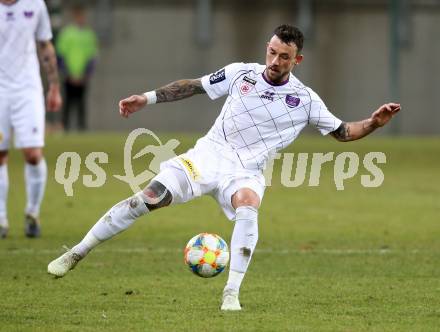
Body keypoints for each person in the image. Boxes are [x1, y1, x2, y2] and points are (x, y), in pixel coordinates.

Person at [47, 24, 401, 310]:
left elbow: (343, 132)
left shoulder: (305, 100)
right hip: (208, 156)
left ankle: (231, 294)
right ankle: (76, 252)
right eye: (272, 52)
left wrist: (373, 122)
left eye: (285, 57)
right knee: (147, 197)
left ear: (298, 60)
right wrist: (148, 98)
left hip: (246, 172)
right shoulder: (240, 74)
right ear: (267, 48)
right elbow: (194, 86)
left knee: (249, 205)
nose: (275, 61)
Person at [0, 0, 62, 238]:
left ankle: (32, 213)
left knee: (33, 154)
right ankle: (1, 218)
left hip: (27, 90)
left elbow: (45, 45)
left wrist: (54, 86)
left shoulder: (35, 4)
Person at [56, 4, 98, 131]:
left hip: (82, 77)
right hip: (69, 76)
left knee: (81, 103)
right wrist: (67, 73)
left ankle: (81, 128)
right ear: (75, 17)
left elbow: (92, 56)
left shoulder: (89, 34)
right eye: (79, 16)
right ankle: (65, 127)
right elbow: (61, 54)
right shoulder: (67, 33)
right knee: (67, 102)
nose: (81, 19)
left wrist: (86, 74)